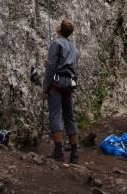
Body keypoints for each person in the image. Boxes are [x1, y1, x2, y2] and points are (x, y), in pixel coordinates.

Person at [43, 19, 79, 163]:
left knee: (55, 115)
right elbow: (74, 68)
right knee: (69, 117)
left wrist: (45, 87)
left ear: (60, 29)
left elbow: (51, 67)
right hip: (69, 85)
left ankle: (58, 150)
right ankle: (75, 153)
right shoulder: (75, 48)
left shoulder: (56, 44)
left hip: (56, 84)